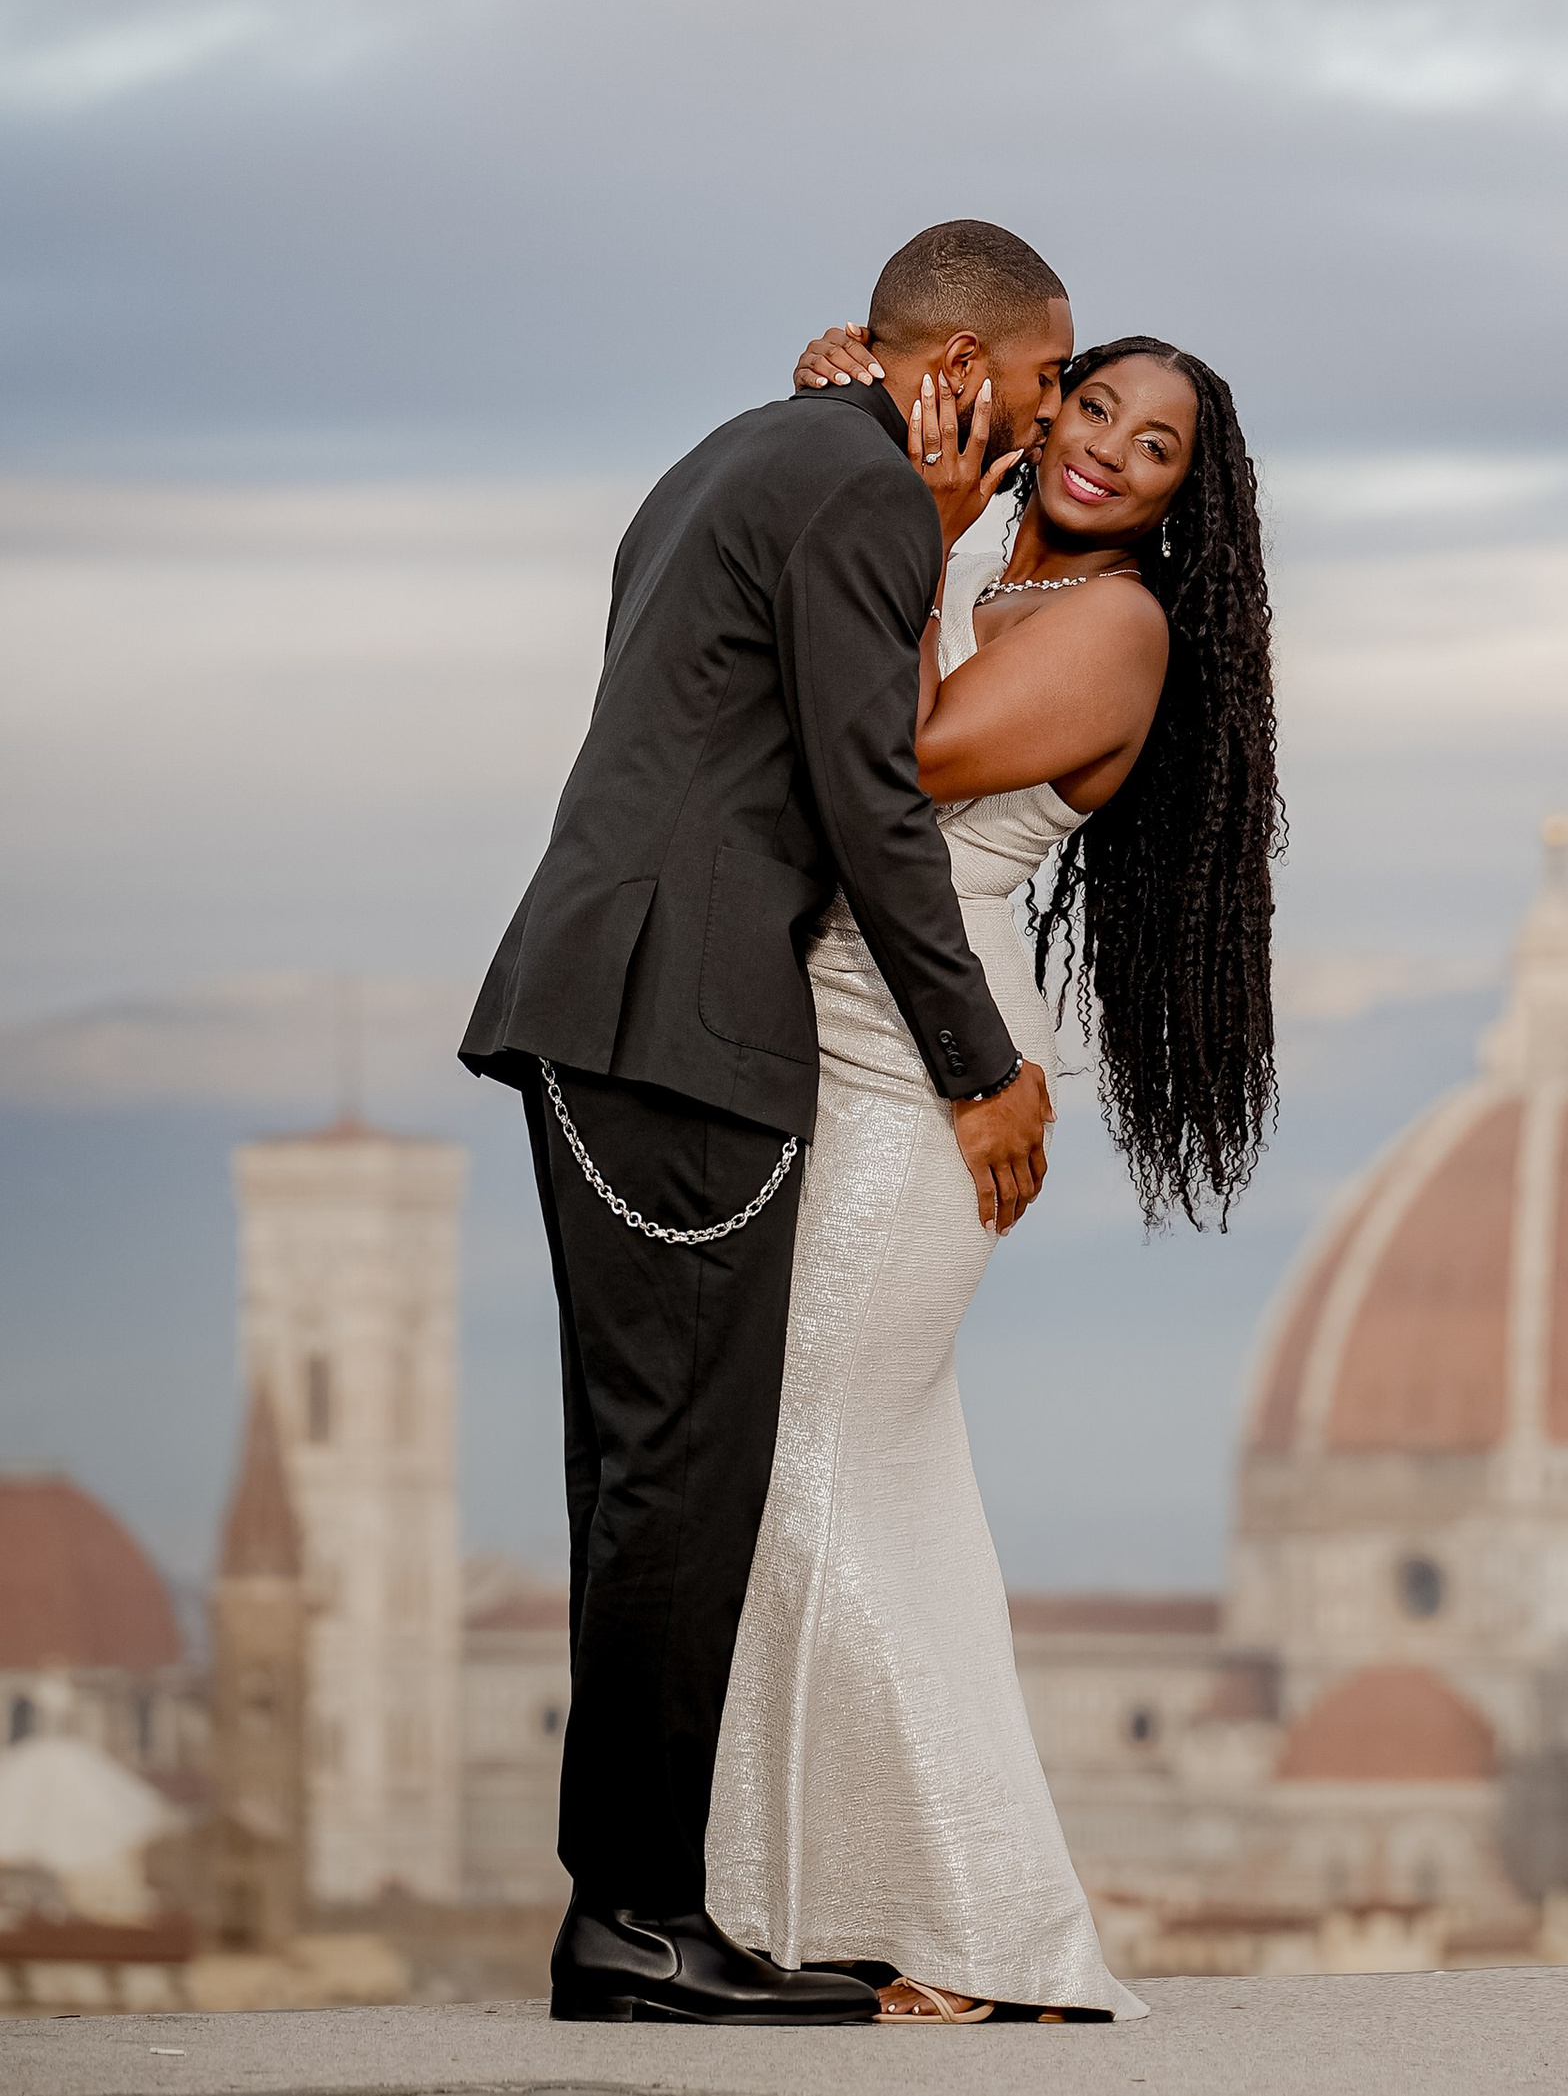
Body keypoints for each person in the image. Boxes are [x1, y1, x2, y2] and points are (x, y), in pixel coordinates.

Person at [460, 221, 1072, 2028]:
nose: (1039, 432)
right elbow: (865, 798)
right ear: (960, 365)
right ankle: (640, 1925)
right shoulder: (860, 496)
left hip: (611, 1005)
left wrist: (932, 526)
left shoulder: (746, 450)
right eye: (1039, 388)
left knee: (637, 1475)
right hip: (688, 1029)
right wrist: (980, 1059)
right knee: (681, 1481)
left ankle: (633, 1914)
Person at [700, 312, 1281, 2022]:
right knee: (876, 1487)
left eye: (1153, 443)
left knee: (815, 1459)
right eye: (1092, 403)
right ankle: (862, 1907)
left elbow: (888, 754)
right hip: (846, 1044)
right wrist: (869, 427)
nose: (1107, 443)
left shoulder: (1113, 624)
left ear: (1185, 500)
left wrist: (925, 515)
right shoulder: (992, 565)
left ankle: (964, 1932)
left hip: (933, 1076)